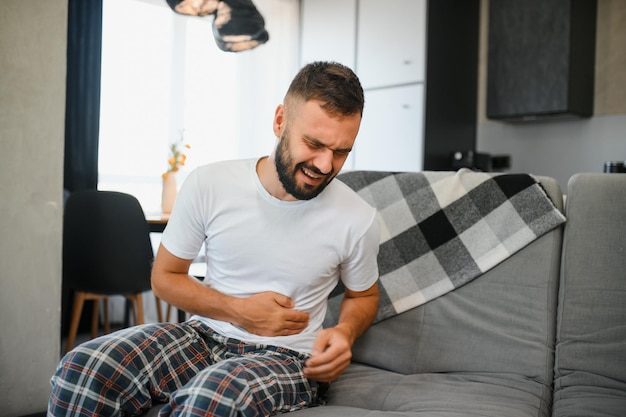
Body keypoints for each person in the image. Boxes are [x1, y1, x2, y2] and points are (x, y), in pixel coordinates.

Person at [49, 61, 380, 417]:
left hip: (290, 356)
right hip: (202, 336)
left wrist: (344, 332)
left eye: (342, 151)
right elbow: (164, 278)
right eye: (314, 144)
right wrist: (239, 311)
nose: (326, 165)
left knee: (213, 398)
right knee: (82, 368)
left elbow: (364, 295)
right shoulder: (209, 183)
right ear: (280, 120)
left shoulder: (357, 217)